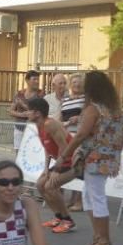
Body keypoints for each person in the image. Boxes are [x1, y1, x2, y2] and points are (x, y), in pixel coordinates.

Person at [56, 71, 123, 245]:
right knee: (88, 196)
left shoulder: (92, 109)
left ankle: (104, 241)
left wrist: (64, 155)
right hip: (108, 159)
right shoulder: (116, 110)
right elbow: (122, 135)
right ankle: (98, 237)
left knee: (96, 197)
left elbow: (80, 135)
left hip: (93, 159)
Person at [26, 98, 77, 233]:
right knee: (40, 184)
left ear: (37, 113)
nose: (27, 113)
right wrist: (46, 170)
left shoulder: (50, 124)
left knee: (50, 186)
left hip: (74, 160)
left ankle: (68, 220)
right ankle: (58, 217)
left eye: (29, 110)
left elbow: (64, 147)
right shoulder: (39, 125)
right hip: (62, 160)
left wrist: (57, 170)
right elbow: (48, 149)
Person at [60, 73, 86, 212]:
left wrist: (80, 118)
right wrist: (64, 124)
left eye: (79, 82)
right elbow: (60, 117)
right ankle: (67, 198)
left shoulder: (86, 100)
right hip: (66, 137)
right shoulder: (65, 100)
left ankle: (78, 200)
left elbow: (91, 116)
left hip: (80, 137)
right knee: (66, 167)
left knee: (78, 167)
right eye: (74, 82)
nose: (76, 85)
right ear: (70, 85)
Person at [10, 70, 44, 150]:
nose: (37, 82)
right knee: (18, 153)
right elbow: (11, 111)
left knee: (31, 152)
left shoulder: (40, 94)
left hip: (34, 129)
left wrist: (23, 105)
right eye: (34, 79)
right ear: (27, 80)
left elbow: (38, 112)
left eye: (38, 79)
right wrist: (23, 114)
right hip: (19, 128)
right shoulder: (19, 94)